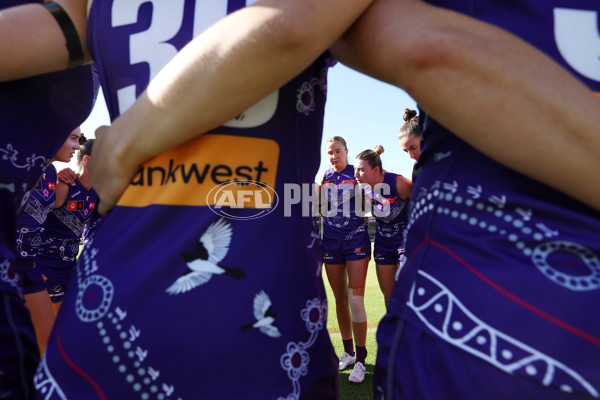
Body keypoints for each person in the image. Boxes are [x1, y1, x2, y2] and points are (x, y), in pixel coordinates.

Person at [2, 0, 600, 398]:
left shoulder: (87, 5)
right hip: (266, 341)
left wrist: (125, 142)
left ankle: (359, 354)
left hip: (102, 323)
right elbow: (323, 31)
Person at [0, 1, 378, 398]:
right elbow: (424, 52)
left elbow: (289, 31)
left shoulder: (90, 7)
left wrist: (130, 139)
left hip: (110, 317)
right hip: (267, 329)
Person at [330, 0, 600, 398]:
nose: (350, 172)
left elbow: (414, 50)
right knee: (378, 301)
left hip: (454, 291)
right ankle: (357, 354)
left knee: (367, 298)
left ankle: (366, 351)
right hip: (429, 288)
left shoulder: (401, 181)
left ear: (372, 166)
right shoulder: (343, 184)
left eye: (413, 148)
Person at [0, 0, 97, 396]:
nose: (72, 142)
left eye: (77, 137)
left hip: (32, 276)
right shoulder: (59, 180)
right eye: (73, 138)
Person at [15, 127, 83, 356]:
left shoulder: (52, 172)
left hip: (30, 269)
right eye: (73, 138)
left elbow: (53, 205)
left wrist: (69, 178)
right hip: (6, 266)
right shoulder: (17, 162)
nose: (77, 146)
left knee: (48, 351)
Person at [318, 136, 371, 384]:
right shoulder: (325, 177)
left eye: (337, 151)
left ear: (346, 151)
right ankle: (348, 353)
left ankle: (361, 359)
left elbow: (369, 204)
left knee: (355, 298)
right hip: (331, 241)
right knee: (339, 299)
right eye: (330, 152)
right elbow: (319, 207)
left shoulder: (356, 173)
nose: (333, 155)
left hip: (356, 240)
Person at [36, 138, 101, 313]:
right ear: (87, 161)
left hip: (70, 269)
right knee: (55, 323)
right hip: (46, 268)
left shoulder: (97, 194)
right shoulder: (64, 188)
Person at [354, 145, 412, 306]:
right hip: (383, 245)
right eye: (355, 170)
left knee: (407, 295)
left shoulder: (399, 183)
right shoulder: (362, 189)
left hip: (405, 243)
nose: (356, 175)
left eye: (361, 170)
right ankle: (394, 331)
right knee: (389, 296)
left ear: (376, 169)